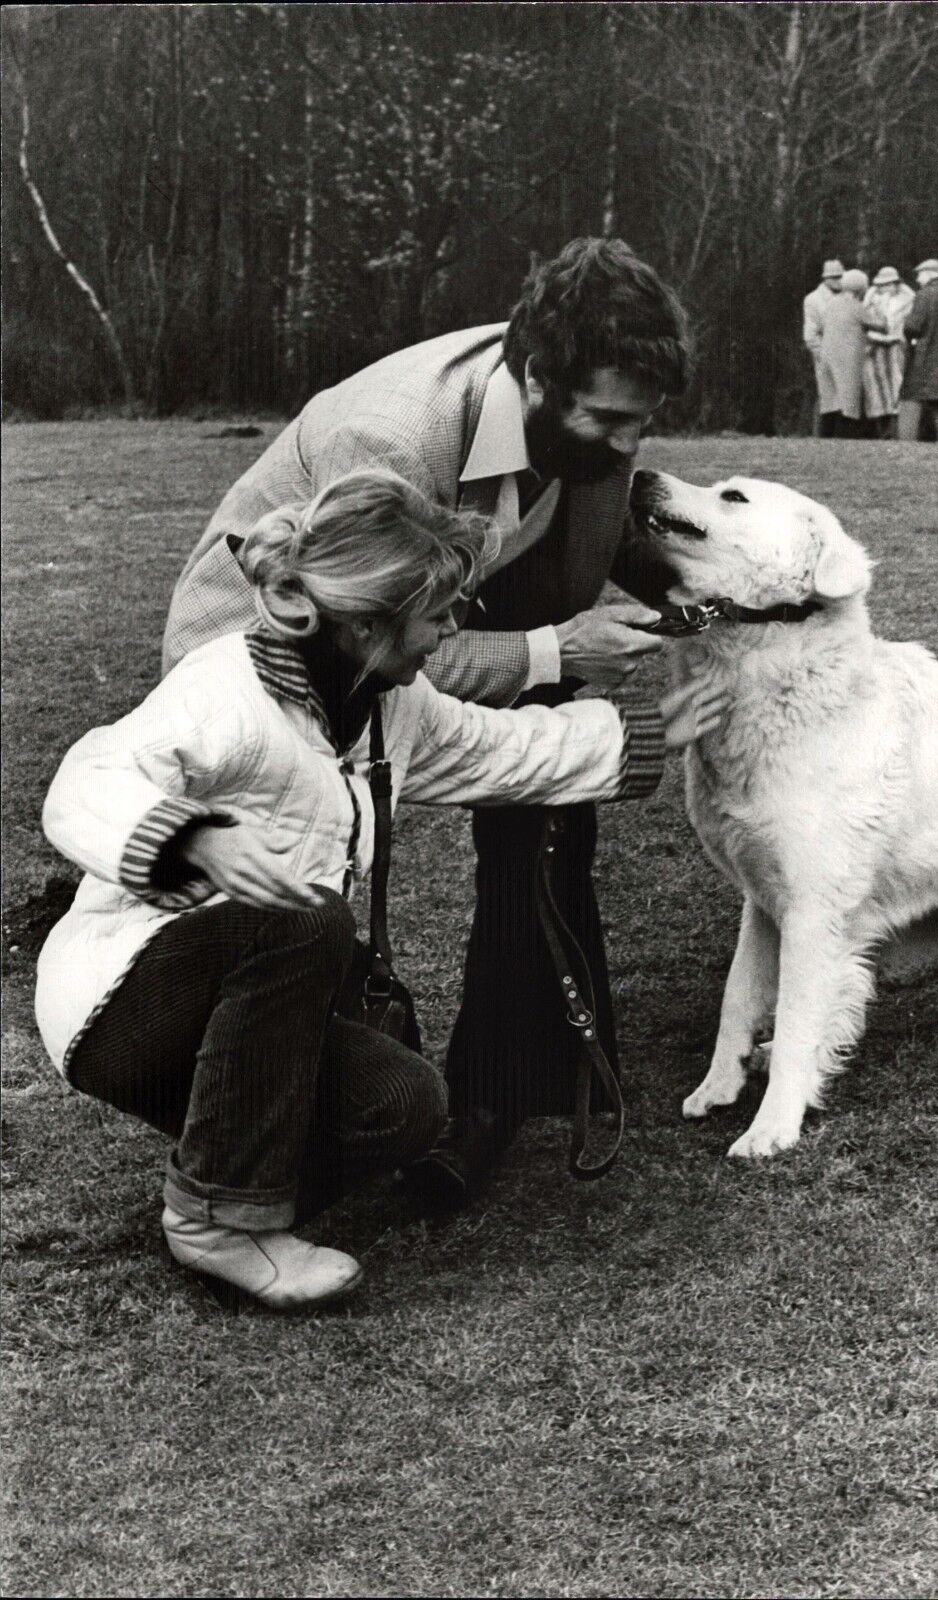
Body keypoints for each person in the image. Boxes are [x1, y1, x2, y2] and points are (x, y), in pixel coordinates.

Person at [36, 469, 725, 1311]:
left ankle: (238, 1182)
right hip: (120, 1004)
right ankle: (220, 1219)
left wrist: (649, 731)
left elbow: (496, 751)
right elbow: (86, 778)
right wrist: (194, 839)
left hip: (248, 1004)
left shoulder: (387, 704)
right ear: (366, 623)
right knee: (298, 921)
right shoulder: (222, 693)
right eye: (438, 613)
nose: (452, 630)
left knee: (407, 1106)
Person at [162, 238, 692, 1207]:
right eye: (611, 421)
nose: (628, 447)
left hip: (426, 622)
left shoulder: (584, 414)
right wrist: (554, 652)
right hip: (274, 655)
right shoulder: (391, 436)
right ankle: (258, 1138)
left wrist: (731, 582)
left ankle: (504, 1086)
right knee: (295, 903)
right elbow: (373, 636)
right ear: (535, 375)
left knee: (545, 795)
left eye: (641, 424)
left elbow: (599, 536)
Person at [816, 268, 887, 439]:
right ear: (860, 288)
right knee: (848, 401)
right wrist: (879, 310)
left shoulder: (831, 303)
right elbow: (880, 325)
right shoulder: (857, 307)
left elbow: (820, 326)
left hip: (826, 356)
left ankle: (825, 439)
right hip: (848, 358)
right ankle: (844, 439)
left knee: (830, 402)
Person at [898, 258, 938, 443]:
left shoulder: (924, 295)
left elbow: (913, 327)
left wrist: (907, 330)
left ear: (929, 274)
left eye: (920, 274)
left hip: (923, 356)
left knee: (910, 396)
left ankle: (906, 441)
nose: (918, 279)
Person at [862, 266, 915, 440]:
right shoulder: (871, 301)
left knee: (897, 391)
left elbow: (909, 327)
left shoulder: (909, 300)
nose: (884, 288)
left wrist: (898, 339)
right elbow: (865, 328)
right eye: (881, 285)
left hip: (897, 351)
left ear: (895, 283)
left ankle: (896, 433)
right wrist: (883, 338)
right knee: (877, 393)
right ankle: (882, 434)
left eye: (888, 284)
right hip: (875, 352)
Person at [801, 259, 845, 437]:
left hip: (847, 354)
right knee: (827, 397)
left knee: (843, 399)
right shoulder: (813, 299)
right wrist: (822, 354)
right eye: (833, 277)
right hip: (825, 353)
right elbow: (810, 334)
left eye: (840, 277)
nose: (837, 281)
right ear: (825, 278)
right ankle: (821, 436)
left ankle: (839, 438)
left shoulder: (846, 296)